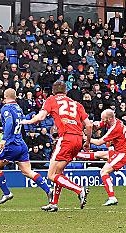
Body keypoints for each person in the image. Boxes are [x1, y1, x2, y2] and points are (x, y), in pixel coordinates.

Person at [21, 81, 92, 212]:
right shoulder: (76, 104)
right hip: (78, 139)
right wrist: (87, 142)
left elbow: (41, 117)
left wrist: (27, 121)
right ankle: (54, 203)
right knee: (58, 172)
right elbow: (89, 125)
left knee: (51, 175)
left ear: (53, 91)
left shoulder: (51, 100)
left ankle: (79, 189)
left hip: (65, 138)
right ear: (66, 91)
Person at [0, 89, 52, 205]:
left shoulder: (6, 108)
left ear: (4, 96)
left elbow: (10, 123)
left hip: (11, 144)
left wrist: (4, 139)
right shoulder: (18, 108)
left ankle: (6, 193)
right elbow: (17, 123)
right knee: (28, 171)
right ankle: (48, 190)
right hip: (21, 144)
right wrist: (3, 129)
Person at [76, 109, 126, 206]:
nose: (103, 121)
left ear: (109, 119)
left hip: (123, 153)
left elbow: (98, 142)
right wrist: (93, 125)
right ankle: (74, 154)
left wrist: (85, 138)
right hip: (118, 150)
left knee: (104, 171)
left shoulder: (115, 128)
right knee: (98, 154)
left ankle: (112, 198)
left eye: (104, 119)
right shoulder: (114, 121)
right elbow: (99, 124)